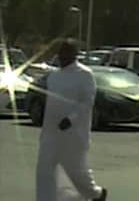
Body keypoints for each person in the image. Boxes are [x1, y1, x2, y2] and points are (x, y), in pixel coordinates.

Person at [36, 38, 107, 201]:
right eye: (60, 53)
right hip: (50, 133)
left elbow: (87, 102)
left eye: (65, 53)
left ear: (74, 55)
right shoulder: (53, 76)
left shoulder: (85, 75)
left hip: (73, 135)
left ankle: (97, 194)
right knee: (44, 172)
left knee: (77, 173)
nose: (61, 56)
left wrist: (71, 118)